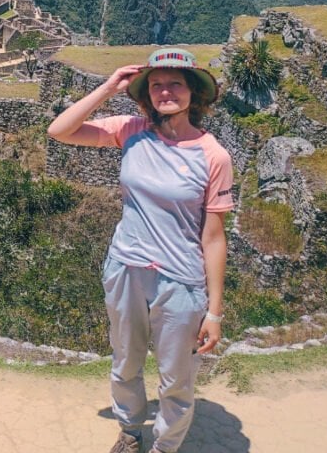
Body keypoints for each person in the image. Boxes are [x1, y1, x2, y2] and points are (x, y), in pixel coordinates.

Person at [47, 48, 233, 453]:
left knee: (177, 376)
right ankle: (130, 432)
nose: (166, 92)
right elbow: (60, 130)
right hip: (126, 268)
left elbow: (214, 237)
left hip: (180, 281)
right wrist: (110, 86)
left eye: (175, 84)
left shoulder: (213, 155)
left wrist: (214, 311)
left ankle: (165, 446)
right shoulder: (131, 130)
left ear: (193, 94)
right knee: (125, 361)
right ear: (146, 95)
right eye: (156, 85)